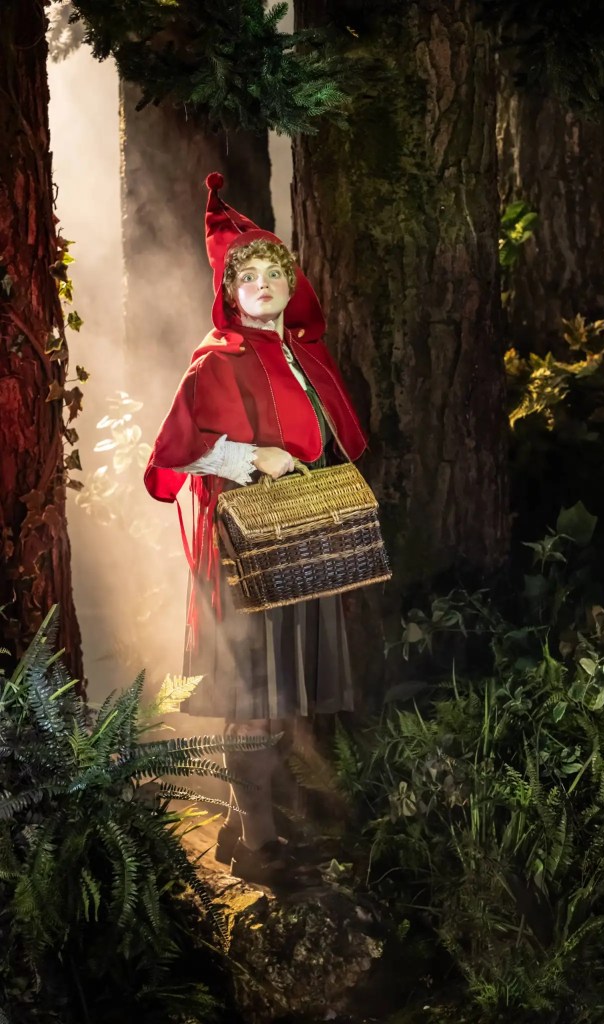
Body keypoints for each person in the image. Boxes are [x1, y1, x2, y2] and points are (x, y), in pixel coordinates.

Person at [143, 173, 367, 886]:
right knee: (253, 693)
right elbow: (170, 457)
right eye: (249, 277)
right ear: (231, 291)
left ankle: (255, 826)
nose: (263, 285)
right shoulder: (217, 360)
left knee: (283, 692)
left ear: (290, 285)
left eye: (274, 274)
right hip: (244, 548)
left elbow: (333, 441)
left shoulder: (305, 358)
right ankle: (255, 841)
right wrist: (250, 457)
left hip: (301, 537)